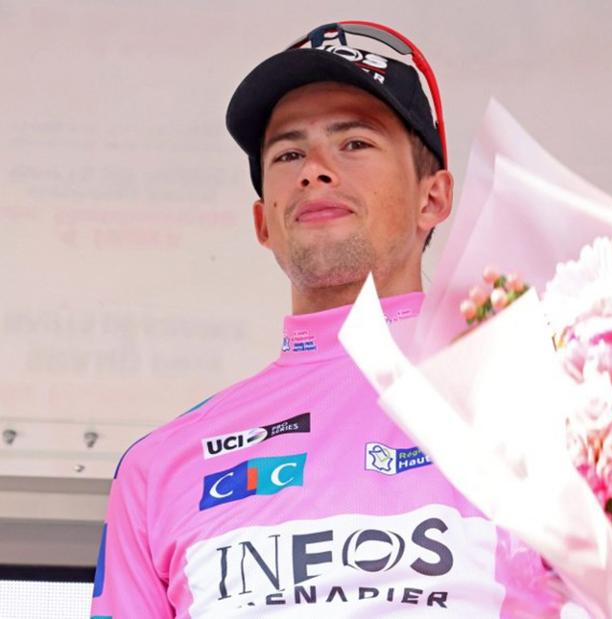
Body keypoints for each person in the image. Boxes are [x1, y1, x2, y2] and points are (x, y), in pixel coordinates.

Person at [90, 21, 564, 618]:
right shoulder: (159, 467)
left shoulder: (557, 403)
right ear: (264, 223)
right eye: (288, 153)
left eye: (355, 143)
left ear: (433, 198)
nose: (314, 169)